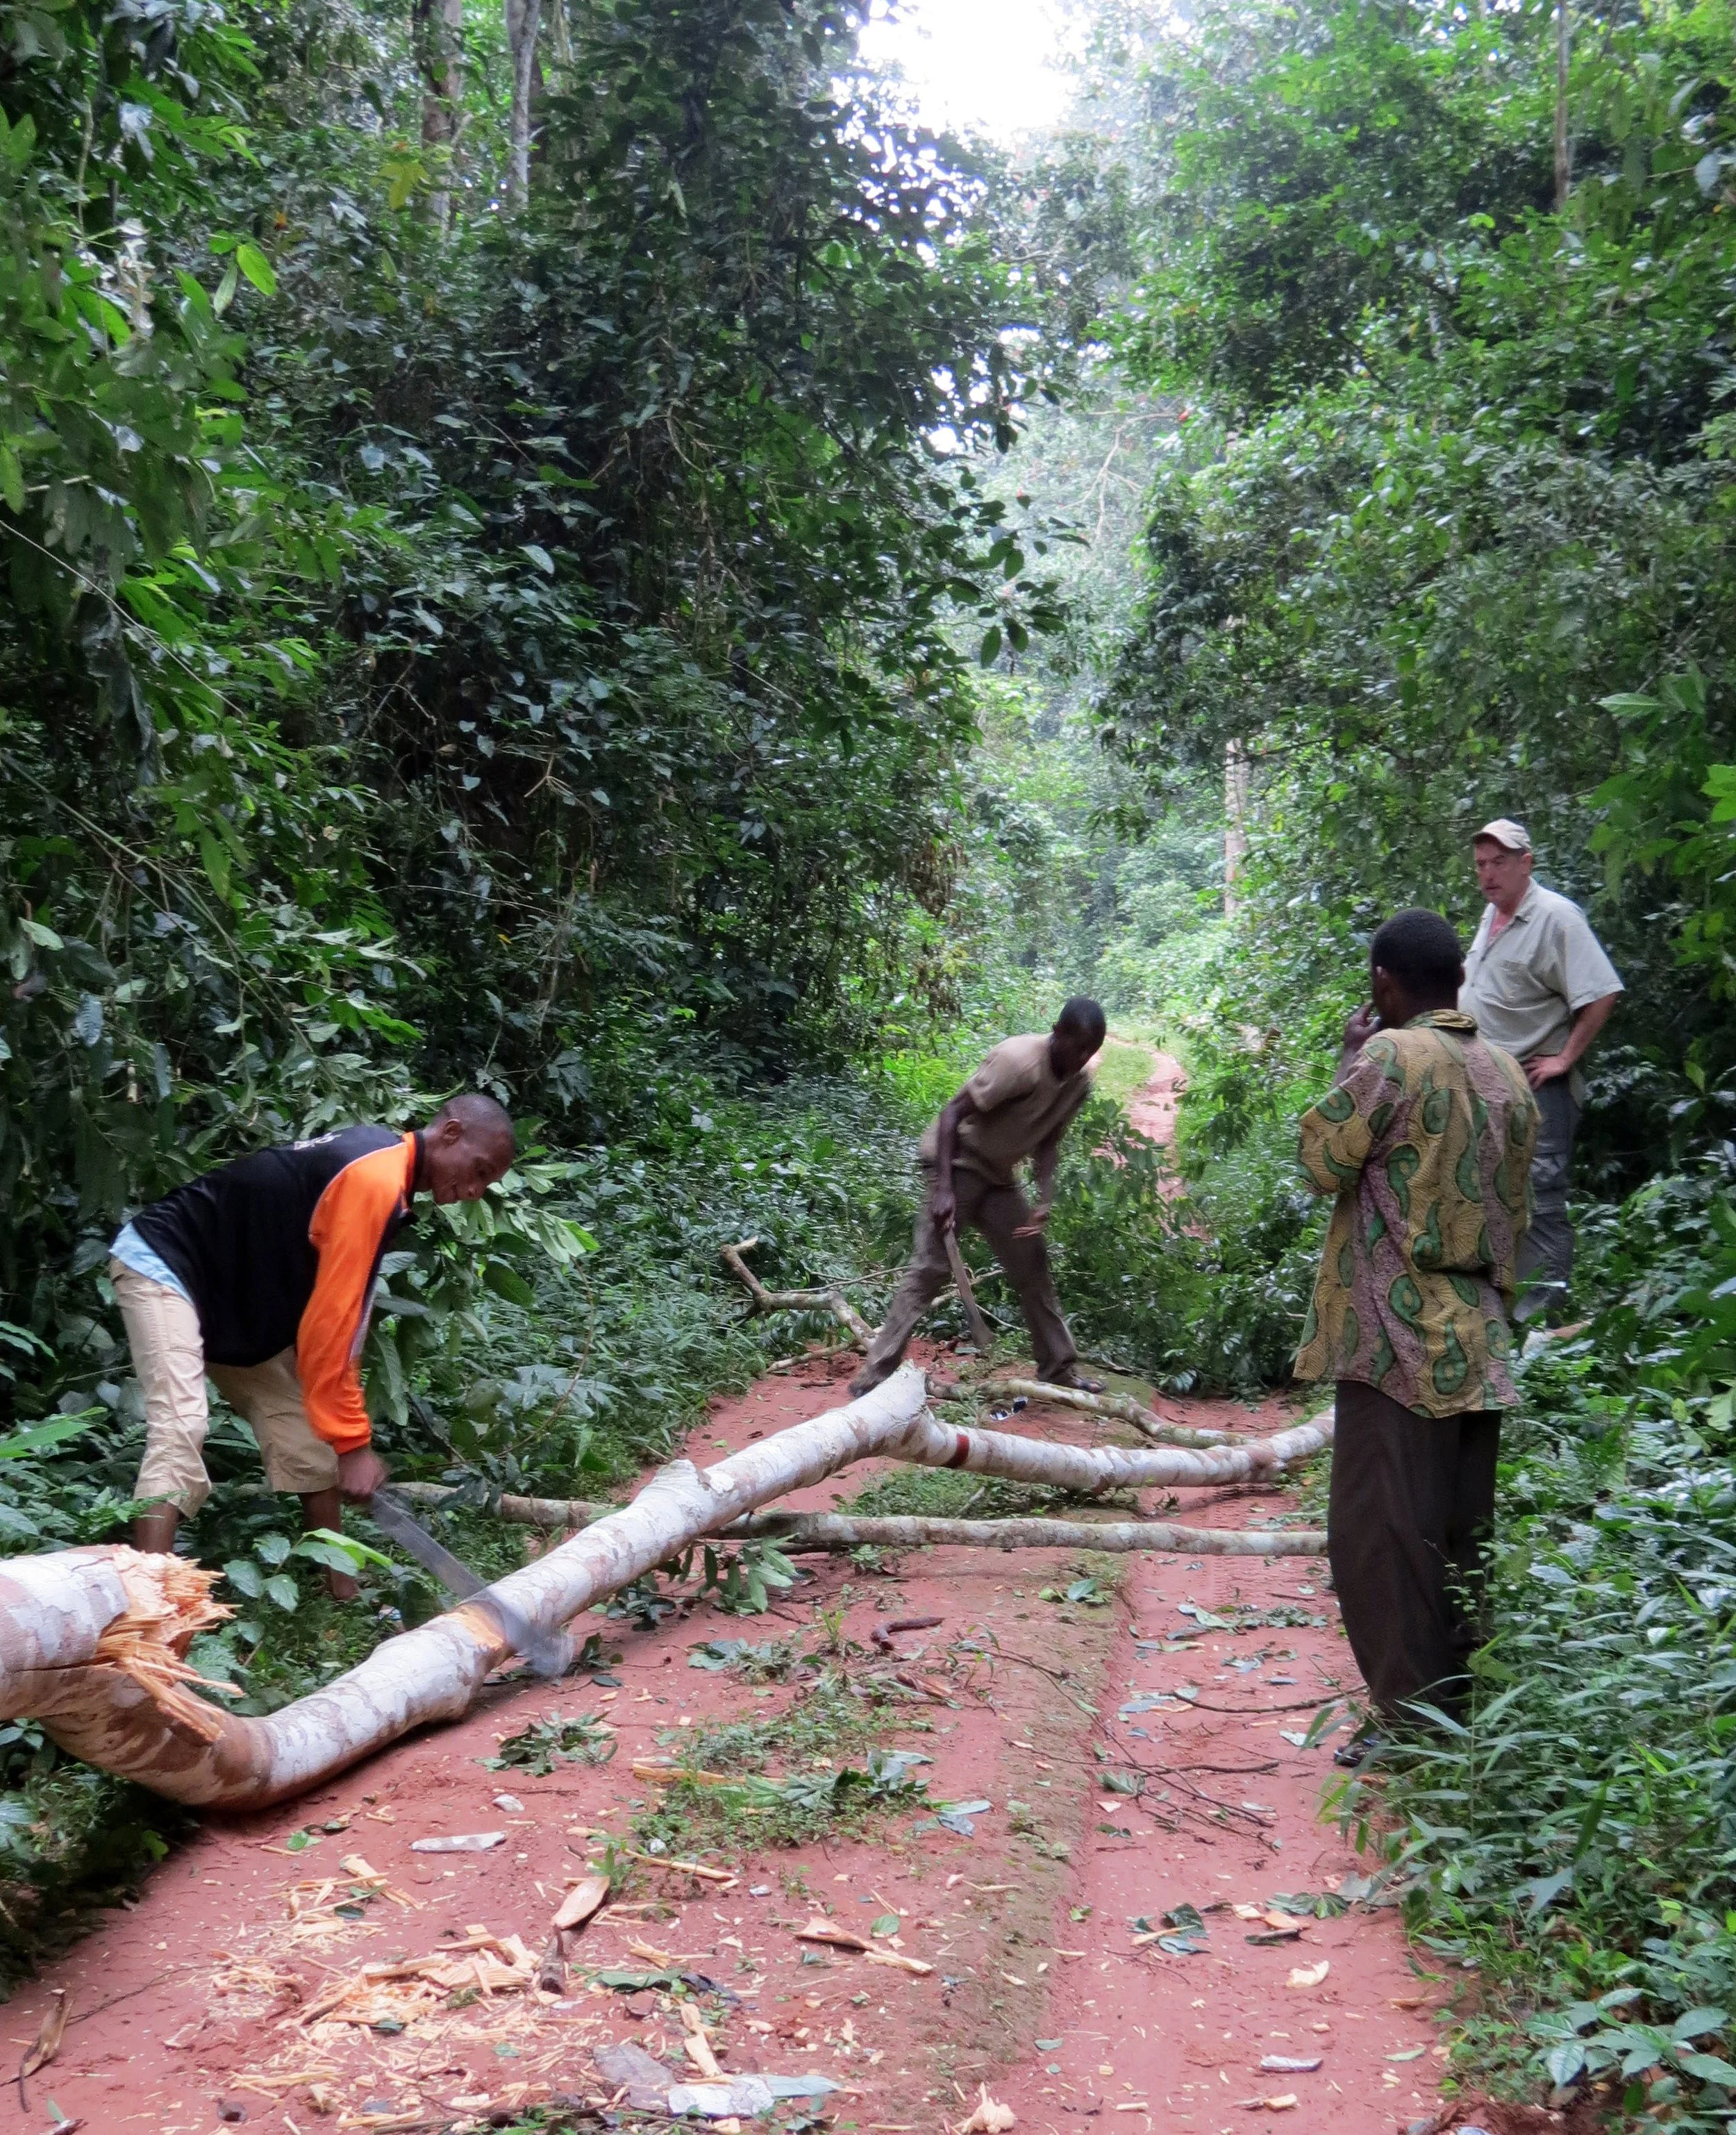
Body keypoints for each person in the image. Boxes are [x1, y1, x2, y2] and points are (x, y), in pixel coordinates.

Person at [1293, 910, 1539, 1761]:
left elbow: (1322, 1157)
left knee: (1378, 1534)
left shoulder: (1390, 1057)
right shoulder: (1507, 1071)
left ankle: (1409, 1726)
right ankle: (1459, 1711)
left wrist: (1346, 1058)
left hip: (1393, 1337)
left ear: (1384, 980)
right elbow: (1516, 1210)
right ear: (1459, 982)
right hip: (1481, 1335)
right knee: (1459, 1532)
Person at [110, 1095, 516, 1594]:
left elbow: (329, 1316)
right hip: (167, 1263)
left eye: (486, 1184)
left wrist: (341, 1441)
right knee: (182, 1425)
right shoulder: (375, 1179)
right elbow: (333, 1325)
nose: (473, 1190)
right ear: (450, 1133)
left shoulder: (386, 1172)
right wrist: (353, 1442)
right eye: (477, 1170)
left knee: (306, 1444)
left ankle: (344, 1598)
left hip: (230, 1300)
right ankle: (148, 1608)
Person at [850, 998, 1108, 1397]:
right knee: (930, 1270)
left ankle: (1058, 1368)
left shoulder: (1078, 1083)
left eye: (1091, 1050)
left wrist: (1044, 1200)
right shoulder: (1018, 1062)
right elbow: (953, 1112)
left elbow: (1049, 1141)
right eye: (1077, 1047)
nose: (1082, 1057)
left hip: (999, 1175)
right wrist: (943, 1190)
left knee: (1032, 1263)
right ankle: (876, 1377)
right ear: (1058, 1032)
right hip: (957, 1161)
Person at [1459, 819, 1623, 1321]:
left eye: (1499, 863)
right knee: (1494, 1195)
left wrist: (1566, 1058)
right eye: (1482, 865)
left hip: (1537, 1088)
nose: (1488, 875)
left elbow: (1601, 992)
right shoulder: (1492, 916)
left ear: (1526, 863)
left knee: (1542, 1198)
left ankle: (1545, 1324)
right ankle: (1504, 1311)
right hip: (1486, 1086)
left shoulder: (1556, 917)